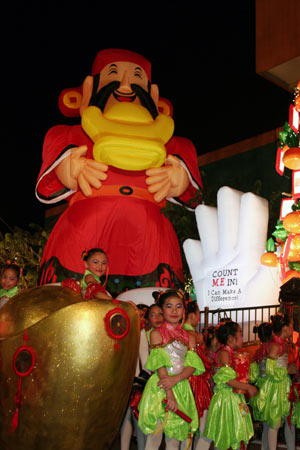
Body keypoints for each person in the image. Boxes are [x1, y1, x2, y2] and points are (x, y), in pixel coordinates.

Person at [36, 48, 203, 292]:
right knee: (72, 300)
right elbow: (48, 181)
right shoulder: (71, 135)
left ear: (153, 95)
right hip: (85, 231)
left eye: (136, 79)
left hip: (148, 240)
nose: (125, 87)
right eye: (113, 76)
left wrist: (178, 179)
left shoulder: (174, 145)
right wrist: (68, 169)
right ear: (89, 88)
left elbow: (194, 195)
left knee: (150, 301)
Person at [138, 290, 205, 449]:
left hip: (181, 386)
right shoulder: (156, 334)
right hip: (160, 387)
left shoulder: (190, 337)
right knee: (154, 437)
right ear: (162, 310)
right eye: (169, 307)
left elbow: (192, 365)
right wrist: (169, 393)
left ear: (184, 310)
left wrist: (176, 379)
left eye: (178, 307)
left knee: (175, 438)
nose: (174, 311)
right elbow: (159, 365)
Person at [203, 321, 257, 450]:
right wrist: (249, 387)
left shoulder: (230, 353)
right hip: (226, 399)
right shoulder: (224, 353)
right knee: (225, 434)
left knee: (234, 434)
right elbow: (228, 380)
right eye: (240, 334)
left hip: (233, 397)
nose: (242, 338)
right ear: (231, 338)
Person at [250, 313, 297, 450]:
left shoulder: (280, 344)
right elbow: (271, 370)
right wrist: (287, 370)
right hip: (274, 388)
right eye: (292, 325)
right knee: (273, 424)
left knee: (280, 422)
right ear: (285, 329)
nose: (293, 328)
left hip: (281, 386)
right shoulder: (275, 346)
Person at [181, 300, 213, 450]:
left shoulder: (181, 332)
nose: (200, 317)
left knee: (191, 425)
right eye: (199, 314)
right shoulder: (193, 335)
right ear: (192, 315)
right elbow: (202, 363)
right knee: (202, 426)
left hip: (187, 380)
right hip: (196, 382)